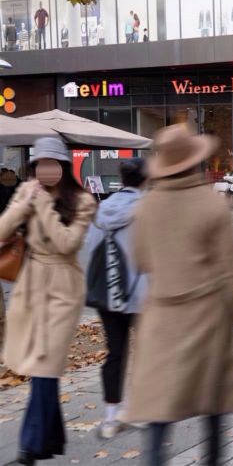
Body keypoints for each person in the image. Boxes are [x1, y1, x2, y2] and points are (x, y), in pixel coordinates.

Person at [121, 126, 233, 466]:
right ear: (194, 162)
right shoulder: (212, 205)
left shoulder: (145, 208)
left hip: (160, 319)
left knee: (159, 408)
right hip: (207, 318)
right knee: (212, 404)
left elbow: (140, 261)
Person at [0, 138, 97, 465]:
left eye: (52, 164)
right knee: (43, 367)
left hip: (63, 289)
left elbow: (66, 243)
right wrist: (20, 204)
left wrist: (41, 206)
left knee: (45, 365)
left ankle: (28, 450)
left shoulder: (82, 200)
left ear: (65, 167)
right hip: (31, 285)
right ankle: (50, 439)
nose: (46, 170)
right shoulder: (29, 192)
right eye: (40, 164)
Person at [81, 159, 149, 439]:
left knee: (115, 353)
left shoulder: (102, 209)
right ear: (146, 179)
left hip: (109, 293)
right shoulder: (148, 209)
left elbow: (89, 250)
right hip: (141, 292)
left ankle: (111, 415)